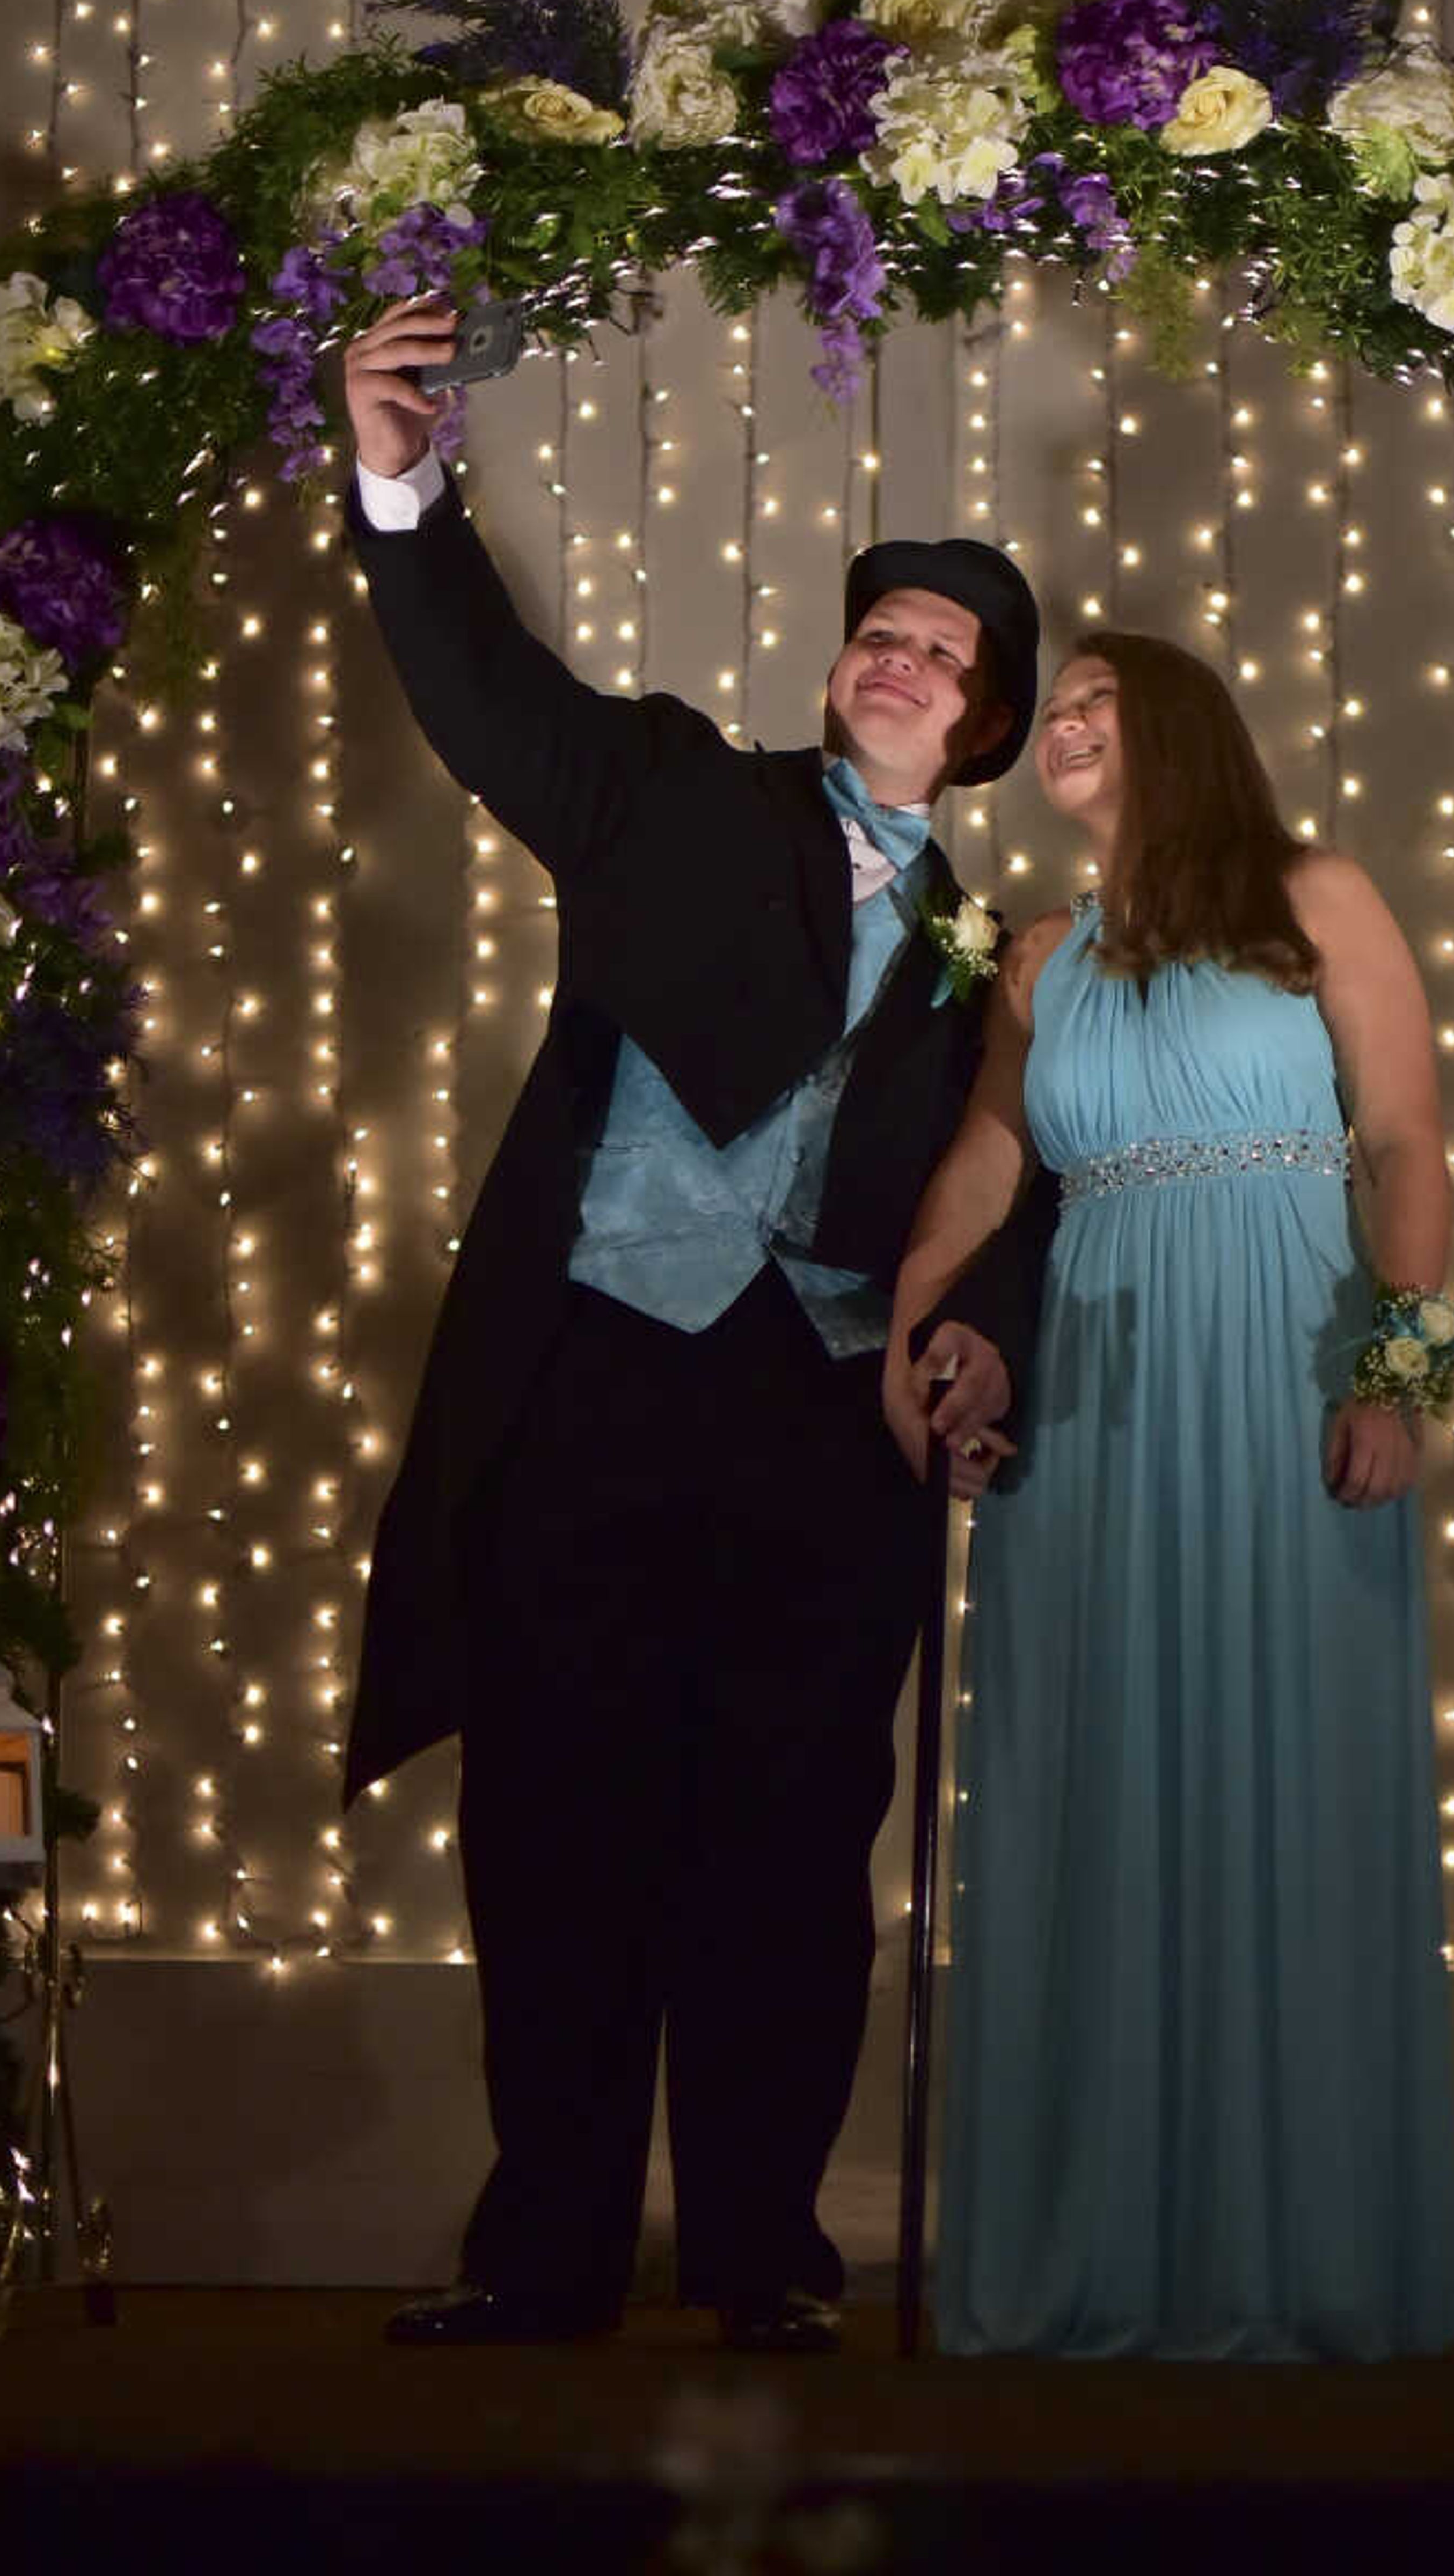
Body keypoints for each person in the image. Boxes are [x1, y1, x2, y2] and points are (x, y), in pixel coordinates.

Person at [335, 296, 1039, 2351]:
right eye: (880, 629)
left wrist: (985, 1337)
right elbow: (483, 692)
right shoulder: (670, 787)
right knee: (558, 1830)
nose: (896, 658)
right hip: (601, 1374)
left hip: (832, 1416)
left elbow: (1018, 1176)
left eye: (941, 651)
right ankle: (537, 2253)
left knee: (796, 1848)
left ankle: (758, 2260)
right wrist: (401, 483)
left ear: (980, 722)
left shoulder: (1009, 947)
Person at [885, 632, 1454, 2359]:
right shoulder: (1040, 954)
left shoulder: (1317, 898)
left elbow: (1409, 1141)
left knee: (1286, 1764)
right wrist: (918, 1301)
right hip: (1111, 1406)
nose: (1059, 723)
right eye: (1050, 708)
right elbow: (995, 1153)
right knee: (1101, 1774)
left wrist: (1407, 1373)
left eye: (1094, 702)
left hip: (1288, 1375)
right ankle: (1105, 2248)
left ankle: (1301, 2249)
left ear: (1184, 730)